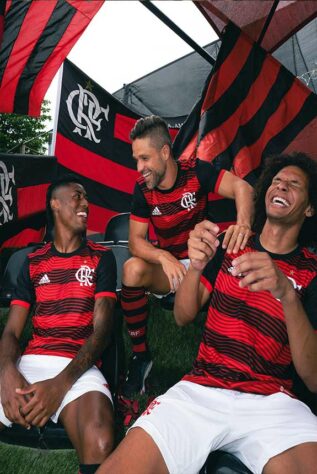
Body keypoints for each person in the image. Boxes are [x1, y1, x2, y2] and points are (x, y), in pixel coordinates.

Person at [97, 152, 317, 474]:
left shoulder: (311, 272)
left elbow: (312, 376)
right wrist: (196, 267)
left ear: (310, 208)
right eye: (276, 181)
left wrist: (286, 292)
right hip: (202, 389)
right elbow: (183, 316)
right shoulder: (231, 246)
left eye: (293, 184)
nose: (280, 187)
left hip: (273, 402)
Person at [121, 115, 254, 397]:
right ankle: (141, 356)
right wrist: (163, 257)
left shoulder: (197, 171)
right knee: (132, 269)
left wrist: (243, 225)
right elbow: (135, 242)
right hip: (170, 270)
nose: (139, 167)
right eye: (136, 159)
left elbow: (243, 188)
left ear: (165, 152)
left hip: (203, 264)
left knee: (239, 257)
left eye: (144, 158)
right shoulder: (142, 189)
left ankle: (234, 357)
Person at [0, 177, 117, 474]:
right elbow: (12, 331)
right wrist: (7, 372)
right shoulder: (32, 261)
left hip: (78, 367)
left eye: (86, 198)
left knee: (100, 440)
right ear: (55, 203)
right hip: (32, 361)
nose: (85, 204)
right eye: (77, 196)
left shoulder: (102, 258)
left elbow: (101, 332)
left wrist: (59, 386)